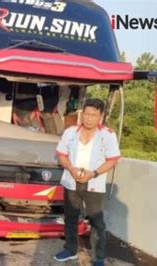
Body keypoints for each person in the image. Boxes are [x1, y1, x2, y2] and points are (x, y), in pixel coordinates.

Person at [53, 98, 121, 266]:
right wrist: (71, 169)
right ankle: (70, 249)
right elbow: (62, 155)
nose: (89, 118)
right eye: (87, 114)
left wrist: (94, 173)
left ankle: (98, 258)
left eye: (94, 115)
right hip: (71, 181)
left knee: (97, 223)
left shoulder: (108, 135)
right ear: (82, 113)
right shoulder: (70, 132)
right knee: (70, 218)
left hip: (94, 185)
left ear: (101, 116)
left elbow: (112, 160)